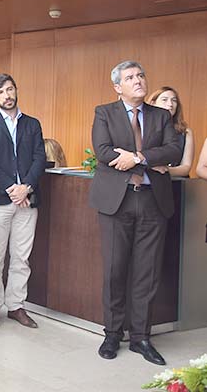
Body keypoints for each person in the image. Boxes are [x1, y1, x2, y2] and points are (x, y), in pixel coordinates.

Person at [90, 61, 181, 366]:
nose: (138, 80)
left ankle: (141, 337)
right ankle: (113, 333)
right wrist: (150, 160)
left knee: (147, 272)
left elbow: (174, 150)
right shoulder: (104, 112)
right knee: (114, 270)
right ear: (118, 87)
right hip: (117, 202)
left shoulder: (160, 115)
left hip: (154, 201)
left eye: (140, 75)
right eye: (130, 77)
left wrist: (138, 157)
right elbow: (103, 151)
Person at [0, 73, 46, 330]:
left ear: (16, 90)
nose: (6, 95)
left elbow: (39, 158)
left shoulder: (32, 124)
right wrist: (12, 188)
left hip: (27, 200)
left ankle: (16, 305)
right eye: (0, 92)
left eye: (9, 89)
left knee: (21, 258)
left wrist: (26, 187)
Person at [147, 86, 194, 177]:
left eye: (174, 100)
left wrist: (164, 170)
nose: (170, 104)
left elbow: (186, 167)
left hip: (175, 181)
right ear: (153, 103)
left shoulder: (185, 132)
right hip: (146, 181)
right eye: (164, 100)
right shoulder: (142, 128)